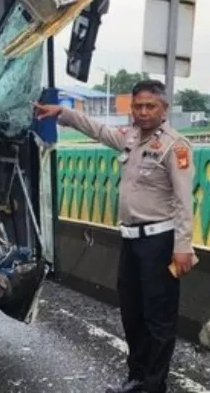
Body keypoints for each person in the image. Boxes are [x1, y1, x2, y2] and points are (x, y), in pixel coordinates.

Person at [35, 79, 196, 393]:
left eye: (150, 106)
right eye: (138, 106)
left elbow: (184, 201)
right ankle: (136, 378)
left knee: (158, 318)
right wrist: (62, 113)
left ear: (164, 108)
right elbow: (97, 129)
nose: (143, 112)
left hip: (159, 242)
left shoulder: (175, 147)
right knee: (132, 312)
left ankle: (154, 384)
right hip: (131, 241)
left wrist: (183, 246)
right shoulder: (131, 139)